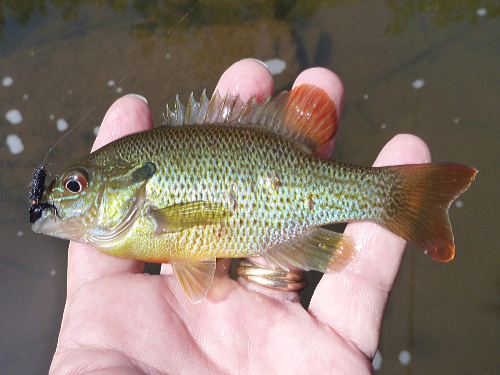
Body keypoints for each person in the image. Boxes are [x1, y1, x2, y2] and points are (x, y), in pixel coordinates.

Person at [49, 59, 431, 374]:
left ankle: (395, 198)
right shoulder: (124, 230)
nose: (62, 197)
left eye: (74, 186)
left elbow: (192, 255)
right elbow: (192, 261)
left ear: (128, 182)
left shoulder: (139, 225)